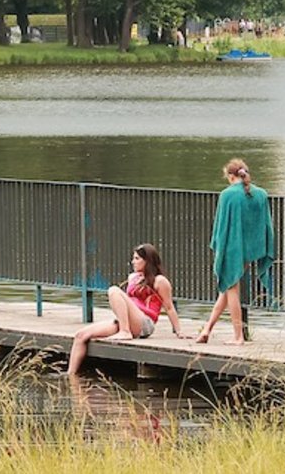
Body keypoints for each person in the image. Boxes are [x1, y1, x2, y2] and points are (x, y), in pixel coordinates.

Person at [67, 243, 187, 375]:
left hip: (144, 323)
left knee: (114, 290)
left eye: (137, 259)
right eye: (133, 258)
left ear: (147, 261)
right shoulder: (133, 277)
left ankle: (125, 332)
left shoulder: (160, 281)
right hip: (127, 321)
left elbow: (169, 307)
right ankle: (70, 376)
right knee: (80, 336)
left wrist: (179, 331)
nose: (132, 262)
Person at [196, 158, 274, 345]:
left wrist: (218, 246)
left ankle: (238, 337)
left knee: (231, 287)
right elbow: (266, 225)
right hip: (250, 248)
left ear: (231, 176)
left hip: (232, 248)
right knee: (228, 287)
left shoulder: (228, 195)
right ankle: (207, 329)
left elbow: (221, 225)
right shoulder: (261, 194)